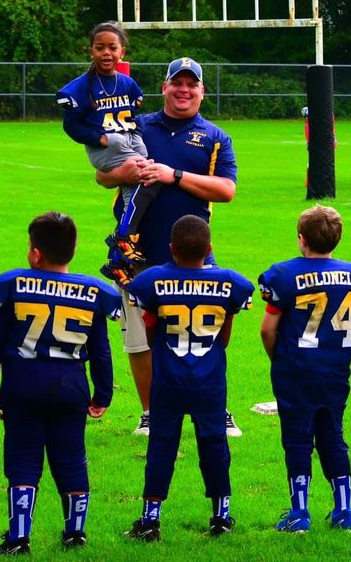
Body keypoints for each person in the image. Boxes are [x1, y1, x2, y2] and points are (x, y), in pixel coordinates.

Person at [95, 57, 240, 437]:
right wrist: (129, 172)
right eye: (178, 83)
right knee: (139, 340)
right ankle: (150, 412)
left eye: (192, 84)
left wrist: (172, 175)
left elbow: (226, 190)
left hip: (193, 256)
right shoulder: (138, 126)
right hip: (134, 253)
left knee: (202, 335)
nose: (184, 90)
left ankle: (215, 407)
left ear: (202, 92)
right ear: (164, 87)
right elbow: (102, 175)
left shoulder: (215, 137)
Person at [0, 212, 121, 553]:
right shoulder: (92, 292)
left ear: (36, 252)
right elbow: (100, 350)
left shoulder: (12, 286)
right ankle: (75, 532)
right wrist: (103, 393)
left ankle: (19, 537)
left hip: (22, 384)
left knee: (23, 458)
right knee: (71, 456)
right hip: (70, 386)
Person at [123, 216, 253, 542]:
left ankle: (151, 519)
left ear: (171, 249)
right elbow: (224, 338)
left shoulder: (152, 280)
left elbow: (151, 334)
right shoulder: (230, 282)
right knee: (214, 443)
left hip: (168, 378)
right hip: (209, 380)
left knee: (161, 444)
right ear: (209, 249)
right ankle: (221, 515)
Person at [259, 206, 351, 532]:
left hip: (297, 368)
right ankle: (345, 510)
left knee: (297, 438)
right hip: (336, 369)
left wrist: (280, 359)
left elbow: (268, 329)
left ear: (301, 239)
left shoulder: (283, 275)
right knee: (332, 435)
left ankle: (299, 513)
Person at [56, 21, 158, 284]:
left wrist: (135, 134)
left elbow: (132, 114)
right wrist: (99, 138)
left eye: (112, 47)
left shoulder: (127, 84)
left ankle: (117, 258)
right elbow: (71, 124)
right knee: (142, 179)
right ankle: (122, 238)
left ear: (122, 51)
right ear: (91, 50)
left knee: (145, 182)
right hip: (107, 145)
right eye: (100, 47)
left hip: (127, 137)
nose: (106, 53)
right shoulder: (82, 86)